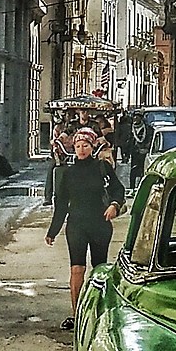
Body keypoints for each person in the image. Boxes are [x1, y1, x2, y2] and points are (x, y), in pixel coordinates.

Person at [46, 126, 124, 330]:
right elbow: (61, 203)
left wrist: (114, 205)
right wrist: (53, 230)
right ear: (74, 148)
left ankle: (99, 310)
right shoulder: (67, 173)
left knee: (99, 269)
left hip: (100, 224)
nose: (81, 149)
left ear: (92, 147)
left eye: (85, 145)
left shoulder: (102, 167)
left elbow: (118, 189)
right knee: (77, 268)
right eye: (78, 146)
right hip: (76, 225)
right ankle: (77, 314)